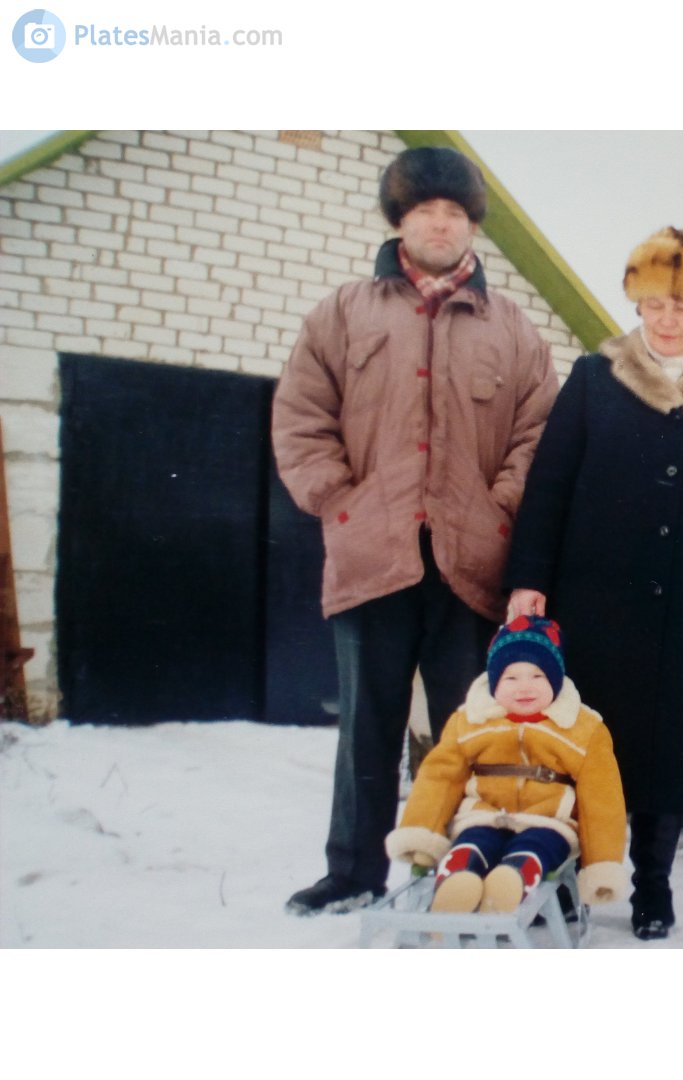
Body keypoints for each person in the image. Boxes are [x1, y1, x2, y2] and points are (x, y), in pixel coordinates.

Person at [272, 146, 559, 915]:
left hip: (470, 564)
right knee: (367, 729)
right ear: (400, 220)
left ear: (472, 227)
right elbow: (300, 418)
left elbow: (539, 433)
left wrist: (501, 506)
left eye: (455, 212)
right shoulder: (343, 314)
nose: (440, 223)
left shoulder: (514, 330)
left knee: (470, 733)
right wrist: (340, 501)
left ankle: (462, 869)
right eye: (425, 210)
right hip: (375, 558)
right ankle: (352, 873)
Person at [505, 226, 683, 940]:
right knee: (584, 744)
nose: (667, 319)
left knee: (672, 754)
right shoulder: (594, 379)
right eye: (655, 304)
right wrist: (530, 578)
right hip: (597, 602)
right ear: (637, 305)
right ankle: (570, 879)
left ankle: (653, 887)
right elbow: (549, 484)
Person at [384, 616, 627, 913]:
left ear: (555, 680)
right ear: (494, 682)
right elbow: (440, 778)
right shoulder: (471, 720)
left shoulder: (582, 728)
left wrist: (602, 862)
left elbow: (602, 799)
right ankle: (456, 882)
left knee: (535, 849)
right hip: (482, 815)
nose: (525, 687)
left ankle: (509, 883)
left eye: (538, 676)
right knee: (472, 842)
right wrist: (422, 831)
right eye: (511, 678)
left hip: (549, 822)